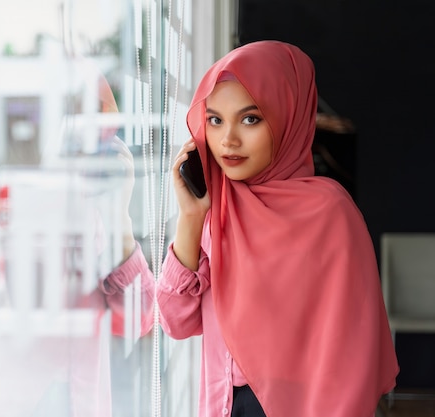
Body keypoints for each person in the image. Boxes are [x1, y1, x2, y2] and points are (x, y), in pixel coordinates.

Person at [115, 40, 399, 416]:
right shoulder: (217, 209)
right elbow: (175, 321)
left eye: (250, 119)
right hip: (227, 404)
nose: (228, 140)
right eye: (215, 120)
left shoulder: (332, 213)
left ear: (287, 117)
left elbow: (354, 355)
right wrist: (190, 217)